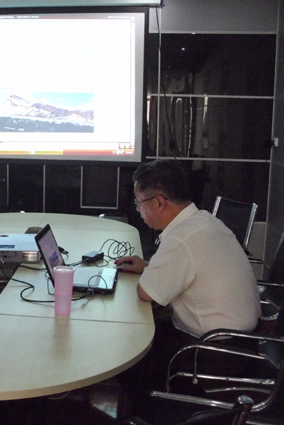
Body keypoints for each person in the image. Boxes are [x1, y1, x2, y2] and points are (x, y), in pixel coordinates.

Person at [114, 159, 261, 415]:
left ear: (159, 202)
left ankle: (157, 414)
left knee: (126, 354)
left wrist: (148, 272)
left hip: (215, 351)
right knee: (141, 333)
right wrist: (147, 266)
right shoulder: (204, 220)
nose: (137, 210)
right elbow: (192, 269)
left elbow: (146, 293)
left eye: (139, 202)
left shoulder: (180, 238)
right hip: (245, 341)